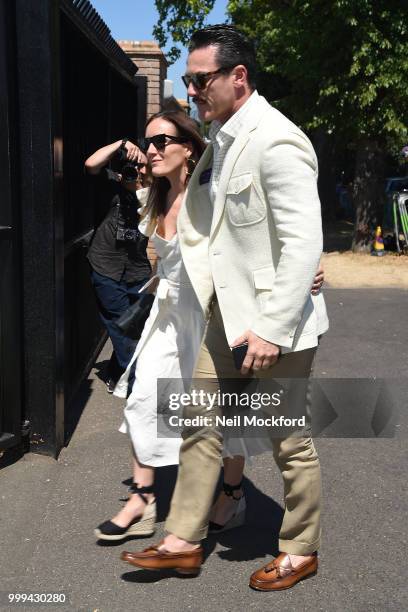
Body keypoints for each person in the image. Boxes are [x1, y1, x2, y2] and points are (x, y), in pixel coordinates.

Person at [120, 24, 329, 592]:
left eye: (200, 79)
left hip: (270, 327)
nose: (192, 91)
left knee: (288, 438)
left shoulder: (277, 139)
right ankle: (183, 541)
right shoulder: (222, 138)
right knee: (201, 424)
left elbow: (302, 237)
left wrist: (275, 325)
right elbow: (209, 229)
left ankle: (300, 547)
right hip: (222, 317)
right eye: (187, 80)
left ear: (238, 77)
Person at [94, 110, 325, 543]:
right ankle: (142, 500)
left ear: (189, 147)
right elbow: (92, 166)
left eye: (162, 141)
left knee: (227, 415)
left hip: (212, 315)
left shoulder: (212, 192)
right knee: (142, 401)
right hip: (168, 316)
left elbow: (266, 226)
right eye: (149, 143)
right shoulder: (151, 196)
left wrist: (310, 265)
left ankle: (232, 492)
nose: (152, 150)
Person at [85, 140, 151, 391]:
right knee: (122, 327)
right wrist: (121, 143)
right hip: (106, 267)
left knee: (137, 327)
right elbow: (91, 164)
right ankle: (136, 386)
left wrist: (145, 173)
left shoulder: (151, 190)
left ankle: (115, 373)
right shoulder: (109, 183)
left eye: (138, 167)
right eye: (129, 168)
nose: (133, 172)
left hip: (137, 269)